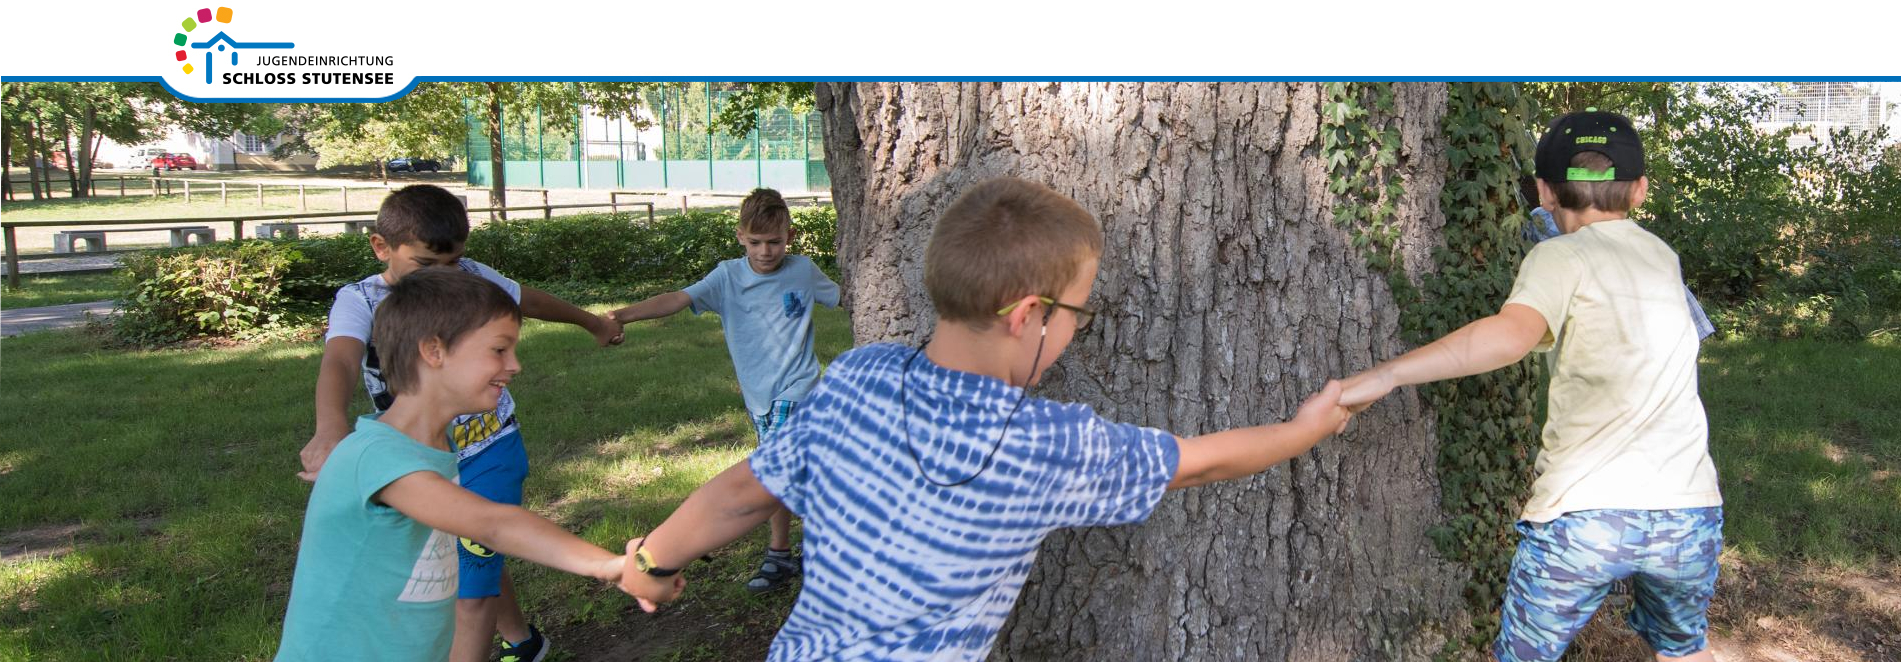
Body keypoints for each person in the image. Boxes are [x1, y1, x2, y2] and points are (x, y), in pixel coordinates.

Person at [617, 177, 1351, 661]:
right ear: (1030, 315)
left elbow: (740, 493)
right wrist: (1307, 428)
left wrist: (650, 566)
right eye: (1077, 313)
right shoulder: (1046, 445)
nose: (1075, 329)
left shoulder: (856, 378)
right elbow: (1199, 461)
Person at [1342, 111, 1723, 662]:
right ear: (1640, 190)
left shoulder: (1559, 254)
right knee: (1685, 650)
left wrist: (1386, 373)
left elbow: (1507, 336)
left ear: (1544, 191)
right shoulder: (1663, 256)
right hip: (1688, 514)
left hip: (1586, 515)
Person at [296, 184, 625, 662]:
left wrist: (592, 322)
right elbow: (341, 362)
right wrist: (329, 428)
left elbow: (527, 300)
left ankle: (518, 640)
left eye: (453, 263)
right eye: (427, 264)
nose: (446, 277)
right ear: (381, 247)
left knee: (471, 576)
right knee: (466, 555)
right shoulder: (361, 302)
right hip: (422, 453)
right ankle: (523, 639)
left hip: (487, 449)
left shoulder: (470, 279)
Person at [605, 188, 839, 593]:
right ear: (739, 237)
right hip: (758, 397)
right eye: (756, 242)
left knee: (776, 472)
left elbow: (852, 299)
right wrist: (621, 315)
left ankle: (829, 554)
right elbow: (677, 300)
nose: (766, 251)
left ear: (791, 237)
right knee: (774, 475)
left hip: (798, 390)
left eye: (775, 242)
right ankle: (781, 553)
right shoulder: (727, 277)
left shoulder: (803, 271)